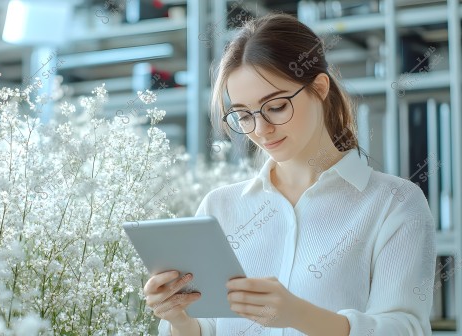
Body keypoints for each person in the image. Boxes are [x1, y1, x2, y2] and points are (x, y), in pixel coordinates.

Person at [143, 12, 437, 336]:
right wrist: (179, 319)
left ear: (320, 87)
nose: (261, 129)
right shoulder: (219, 208)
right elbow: (209, 328)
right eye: (243, 115)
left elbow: (405, 329)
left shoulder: (394, 204)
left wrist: (299, 314)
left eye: (277, 106)